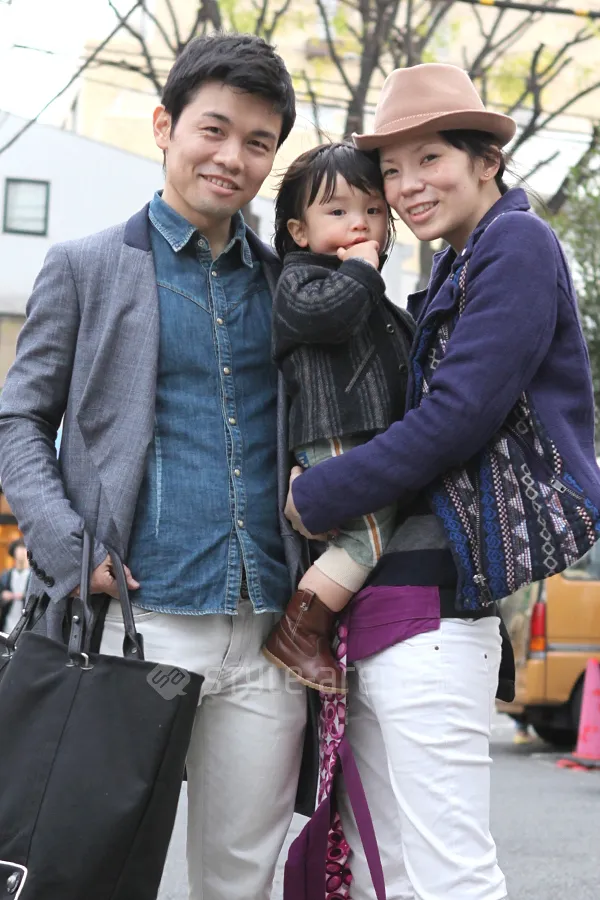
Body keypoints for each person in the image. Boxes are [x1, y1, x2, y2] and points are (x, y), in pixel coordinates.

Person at [0, 33, 318, 900]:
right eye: (213, 129)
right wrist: (68, 548)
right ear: (164, 126)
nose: (232, 157)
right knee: (86, 872)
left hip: (266, 630)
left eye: (258, 142)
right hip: (134, 619)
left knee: (240, 880)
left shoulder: (287, 286)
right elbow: (19, 420)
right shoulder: (86, 267)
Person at [284, 63, 600, 899]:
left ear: (486, 160)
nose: (407, 186)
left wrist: (320, 494)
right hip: (392, 602)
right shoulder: (454, 267)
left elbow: (459, 414)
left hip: (434, 610)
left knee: (447, 874)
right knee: (386, 867)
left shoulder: (517, 243)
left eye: (430, 159)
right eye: (392, 169)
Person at [262, 142, 413, 694]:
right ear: (300, 232)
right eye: (338, 211)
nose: (360, 223)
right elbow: (327, 316)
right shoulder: (301, 281)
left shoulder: (364, 287)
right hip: (336, 432)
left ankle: (324, 626)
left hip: (363, 437)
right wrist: (362, 270)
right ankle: (300, 632)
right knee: (365, 539)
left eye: (373, 210)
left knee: (365, 533)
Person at [0, 539, 30, 634]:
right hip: (7, 623)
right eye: (19, 548)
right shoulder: (6, 575)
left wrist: (23, 596)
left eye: (24, 548)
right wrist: (3, 595)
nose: (22, 551)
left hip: (26, 625)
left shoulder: (33, 576)